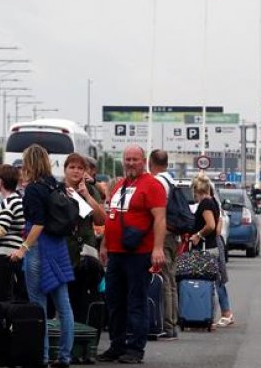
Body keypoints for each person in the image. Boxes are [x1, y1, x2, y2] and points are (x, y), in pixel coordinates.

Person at [98, 145, 167, 365]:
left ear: (144, 160)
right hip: (116, 253)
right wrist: (105, 245)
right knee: (114, 301)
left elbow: (160, 219)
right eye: (127, 159)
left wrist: (157, 248)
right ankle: (117, 345)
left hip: (139, 253)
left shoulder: (152, 185)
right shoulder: (120, 185)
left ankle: (136, 348)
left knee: (136, 301)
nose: (130, 163)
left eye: (134, 159)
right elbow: (112, 216)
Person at [10, 145, 75, 368]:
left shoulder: (34, 189)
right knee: (64, 306)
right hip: (58, 247)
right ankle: (65, 356)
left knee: (38, 305)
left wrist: (23, 248)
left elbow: (37, 223)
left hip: (38, 247)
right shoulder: (55, 185)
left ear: (29, 164)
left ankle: (42, 356)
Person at [62, 153, 106, 324]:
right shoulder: (58, 190)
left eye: (80, 168)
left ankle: (85, 336)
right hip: (64, 249)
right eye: (72, 167)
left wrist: (86, 195)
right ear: (65, 170)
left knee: (85, 296)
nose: (76, 171)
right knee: (66, 298)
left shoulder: (90, 190)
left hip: (85, 251)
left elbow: (101, 219)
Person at [190, 176, 234, 328]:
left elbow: (210, 225)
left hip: (206, 248)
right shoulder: (213, 201)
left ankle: (212, 314)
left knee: (208, 282)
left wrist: (198, 235)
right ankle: (225, 313)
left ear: (197, 189)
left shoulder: (205, 204)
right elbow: (218, 224)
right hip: (213, 245)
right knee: (217, 280)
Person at [150, 149, 180, 340]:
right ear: (167, 163)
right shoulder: (171, 180)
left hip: (165, 235)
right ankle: (173, 322)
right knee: (171, 280)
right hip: (173, 235)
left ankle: (168, 326)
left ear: (150, 162)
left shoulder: (159, 182)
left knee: (166, 281)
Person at [0, 164, 26, 303]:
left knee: (2, 299)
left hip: (5, 256)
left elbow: (1, 230)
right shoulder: (14, 201)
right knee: (1, 298)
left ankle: (4, 325)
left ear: (1, 181)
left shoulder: (9, 202)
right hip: (9, 254)